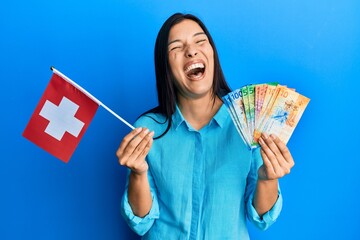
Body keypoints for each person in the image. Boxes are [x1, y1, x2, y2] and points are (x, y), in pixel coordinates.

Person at [116, 13, 294, 240]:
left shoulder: (249, 121)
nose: (191, 51)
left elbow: (262, 217)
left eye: (200, 41)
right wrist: (138, 173)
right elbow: (140, 222)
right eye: (176, 48)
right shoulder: (148, 129)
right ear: (166, 68)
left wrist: (268, 178)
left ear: (212, 53)